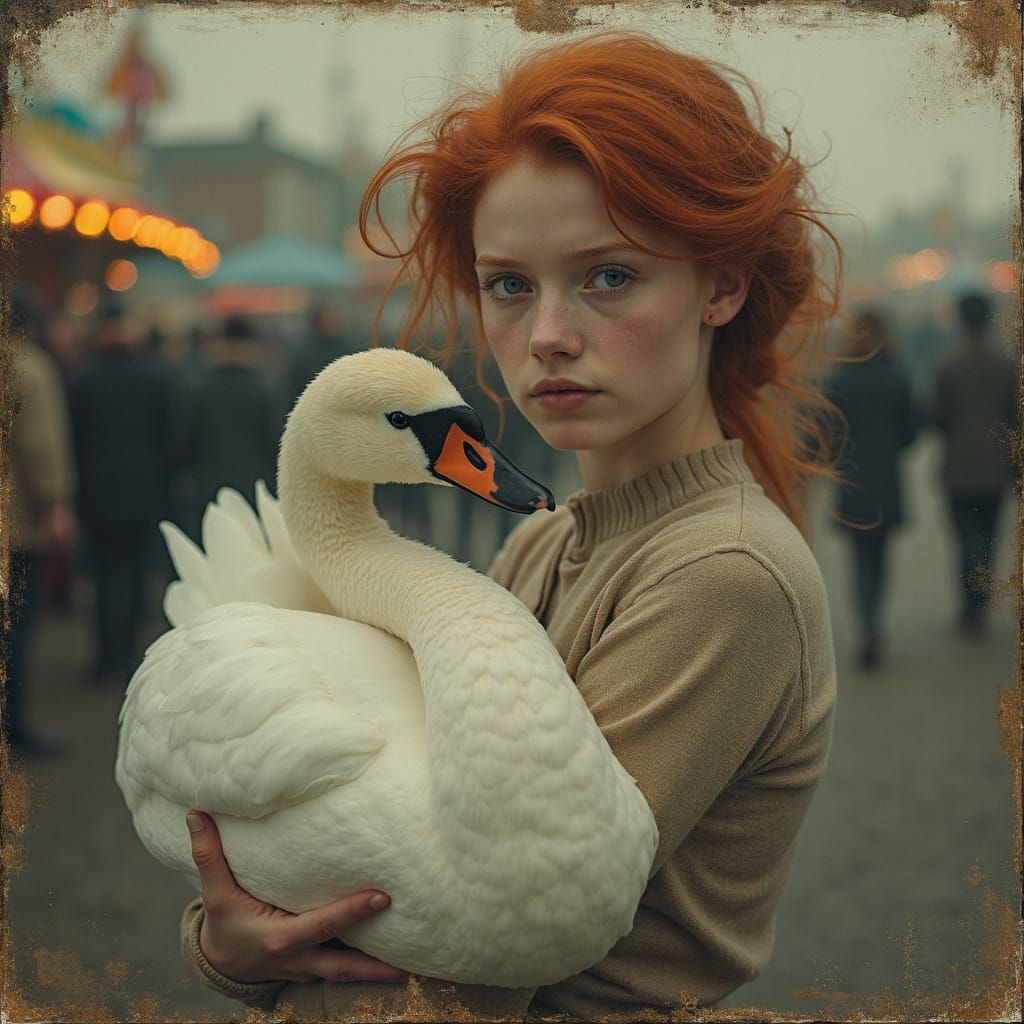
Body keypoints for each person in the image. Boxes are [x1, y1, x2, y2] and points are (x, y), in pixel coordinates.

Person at [177, 30, 841, 1019]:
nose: (547, 337)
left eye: (608, 276)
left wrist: (237, 953)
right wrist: (239, 942)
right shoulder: (544, 538)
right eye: (509, 284)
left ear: (721, 285)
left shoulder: (720, 572)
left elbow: (492, 950)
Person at [70, 302, 171, 684]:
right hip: (143, 492)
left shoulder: (82, 378)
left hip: (96, 493)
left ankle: (104, 658)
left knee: (101, 578)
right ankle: (128, 657)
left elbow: (74, 440)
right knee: (133, 576)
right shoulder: (155, 376)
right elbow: (170, 439)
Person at [2, 292, 77, 758]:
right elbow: (40, 448)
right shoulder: (29, 369)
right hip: (17, 525)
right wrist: (55, 506)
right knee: (15, 632)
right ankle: (14, 728)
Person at [826, 309, 918, 669]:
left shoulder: (839, 379)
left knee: (858, 558)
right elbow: (910, 432)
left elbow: (825, 434)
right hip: (887, 482)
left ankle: (865, 626)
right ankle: (875, 621)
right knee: (880, 558)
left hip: (851, 481)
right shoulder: (896, 375)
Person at [929, 290, 1019, 636]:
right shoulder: (1005, 364)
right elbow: (1015, 417)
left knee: (965, 537)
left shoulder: (946, 362)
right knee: (988, 536)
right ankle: (980, 602)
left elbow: (937, 416)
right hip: (996, 468)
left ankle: (970, 604)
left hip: (958, 467)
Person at [169, 314, 282, 536]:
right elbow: (274, 442)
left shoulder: (199, 389)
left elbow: (183, 443)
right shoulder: (263, 390)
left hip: (207, 488)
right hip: (253, 488)